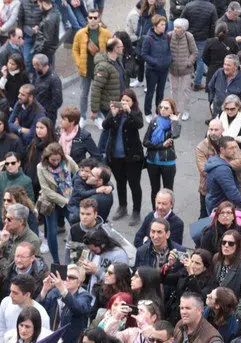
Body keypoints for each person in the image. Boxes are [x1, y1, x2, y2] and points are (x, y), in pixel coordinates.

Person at [102, 90, 145, 223]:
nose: (125, 103)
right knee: (120, 182)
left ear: (133, 103)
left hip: (132, 157)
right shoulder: (116, 113)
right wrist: (112, 115)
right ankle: (122, 206)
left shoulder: (136, 113)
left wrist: (129, 112)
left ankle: (136, 211)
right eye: (123, 100)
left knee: (134, 184)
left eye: (128, 101)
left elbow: (139, 124)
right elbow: (105, 126)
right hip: (115, 156)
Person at [36, 142, 77, 263]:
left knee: (75, 228)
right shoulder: (41, 167)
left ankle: (76, 259)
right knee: (52, 232)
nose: (56, 162)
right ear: (47, 158)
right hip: (51, 202)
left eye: (58, 159)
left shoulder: (68, 160)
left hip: (67, 198)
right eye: (53, 160)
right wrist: (66, 201)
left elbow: (79, 173)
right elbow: (46, 190)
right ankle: (56, 262)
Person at [0, 273, 50, 343]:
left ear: (27, 294)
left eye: (15, 293)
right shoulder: (5, 302)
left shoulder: (42, 315)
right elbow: (1, 329)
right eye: (11, 291)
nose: (10, 295)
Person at [38, 263, 94, 343]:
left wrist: (63, 290)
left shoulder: (85, 296)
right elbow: (39, 311)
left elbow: (77, 308)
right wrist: (44, 290)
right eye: (65, 276)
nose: (67, 279)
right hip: (50, 342)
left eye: (71, 277)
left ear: (79, 283)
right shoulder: (54, 292)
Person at [72, 7, 110, 126]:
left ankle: (98, 116)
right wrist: (79, 63)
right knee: (84, 94)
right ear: (87, 19)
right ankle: (82, 117)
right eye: (90, 17)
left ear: (99, 19)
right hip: (85, 68)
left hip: (99, 68)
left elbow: (110, 49)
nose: (93, 20)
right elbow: (75, 50)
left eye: (95, 17)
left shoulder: (106, 33)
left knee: (98, 93)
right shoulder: (80, 33)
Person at [143, 98, 181, 210]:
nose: (163, 110)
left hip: (168, 162)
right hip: (152, 161)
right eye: (161, 107)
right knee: (154, 190)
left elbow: (175, 135)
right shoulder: (154, 121)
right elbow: (145, 142)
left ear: (172, 110)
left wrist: (174, 121)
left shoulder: (174, 123)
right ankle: (155, 212)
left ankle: (169, 215)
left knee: (168, 191)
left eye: (166, 108)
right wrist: (161, 146)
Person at [205, 136, 241, 217]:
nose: (235, 151)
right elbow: (233, 193)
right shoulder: (222, 169)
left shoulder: (217, 160)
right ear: (222, 150)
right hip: (221, 209)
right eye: (231, 148)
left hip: (216, 205)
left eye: (236, 147)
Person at [168, 18, 197, 122]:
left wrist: (188, 63)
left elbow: (194, 52)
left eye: (179, 27)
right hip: (173, 68)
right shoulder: (169, 35)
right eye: (175, 27)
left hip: (186, 69)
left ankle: (186, 111)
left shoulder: (189, 36)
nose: (176, 29)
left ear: (184, 28)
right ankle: (173, 109)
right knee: (173, 90)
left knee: (185, 90)